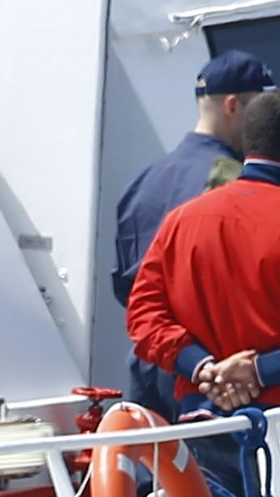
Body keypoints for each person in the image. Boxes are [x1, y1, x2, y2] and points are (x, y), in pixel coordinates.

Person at [123, 90, 280, 418]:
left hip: (204, 424)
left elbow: (143, 317)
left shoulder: (180, 222)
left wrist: (203, 368)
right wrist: (258, 371)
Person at [109, 49, 269, 309]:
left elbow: (127, 285)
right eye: (263, 110)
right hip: (215, 345)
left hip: (152, 343)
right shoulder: (239, 182)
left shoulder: (140, 182)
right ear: (231, 106)